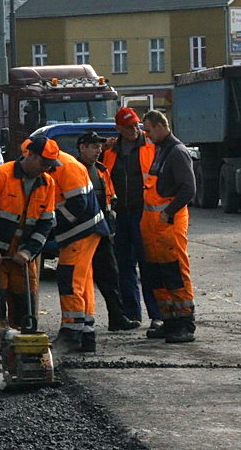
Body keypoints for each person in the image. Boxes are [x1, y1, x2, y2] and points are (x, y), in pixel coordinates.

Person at [0, 137, 60, 363]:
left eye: (50, 164)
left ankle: (25, 354)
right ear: (30, 155)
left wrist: (29, 252)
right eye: (44, 162)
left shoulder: (47, 183)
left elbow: (46, 223)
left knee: (26, 307)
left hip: (23, 258)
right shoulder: (2, 175)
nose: (47, 168)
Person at [102, 107, 165, 337]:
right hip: (121, 215)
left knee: (148, 265)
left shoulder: (151, 145)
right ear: (118, 128)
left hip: (144, 212)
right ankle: (132, 313)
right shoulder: (110, 151)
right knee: (124, 266)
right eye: (127, 127)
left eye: (135, 125)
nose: (133, 130)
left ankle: (157, 314)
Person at [45, 137, 111, 353]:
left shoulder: (68, 167)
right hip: (81, 232)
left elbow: (77, 206)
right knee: (81, 282)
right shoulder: (60, 166)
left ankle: (72, 333)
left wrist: (50, 226)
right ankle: (85, 333)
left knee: (70, 279)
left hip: (81, 232)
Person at [75, 131, 142, 332]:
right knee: (80, 280)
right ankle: (78, 323)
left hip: (101, 232)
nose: (98, 151)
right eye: (94, 147)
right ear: (82, 148)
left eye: (99, 147)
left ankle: (117, 318)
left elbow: (110, 199)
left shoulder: (102, 171)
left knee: (111, 275)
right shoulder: (73, 170)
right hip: (79, 234)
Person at [139, 110, 197, 343]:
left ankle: (185, 323)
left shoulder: (177, 152)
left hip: (168, 225)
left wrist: (168, 213)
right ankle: (170, 320)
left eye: (150, 130)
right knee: (157, 276)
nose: (148, 135)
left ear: (161, 126)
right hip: (154, 229)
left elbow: (188, 189)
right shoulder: (161, 150)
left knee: (175, 273)